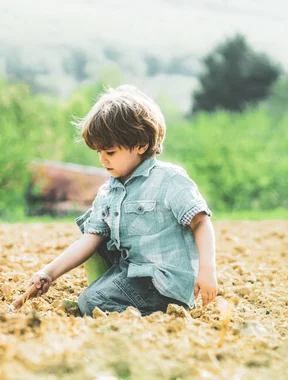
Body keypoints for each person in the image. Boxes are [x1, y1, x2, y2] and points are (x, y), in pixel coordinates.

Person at [29, 85, 217, 316]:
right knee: (92, 233)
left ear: (141, 145)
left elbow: (200, 222)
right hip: (132, 273)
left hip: (163, 282)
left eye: (110, 152)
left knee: (92, 301)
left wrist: (207, 270)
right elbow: (89, 240)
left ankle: (163, 315)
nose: (102, 160)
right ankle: (112, 302)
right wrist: (48, 273)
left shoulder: (169, 179)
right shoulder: (108, 192)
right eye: (98, 152)